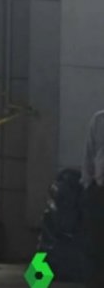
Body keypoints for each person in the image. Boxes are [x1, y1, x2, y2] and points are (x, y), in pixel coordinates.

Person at [81, 111, 104, 287]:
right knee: (95, 241)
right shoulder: (98, 119)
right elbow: (89, 154)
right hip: (99, 189)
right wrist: (88, 183)